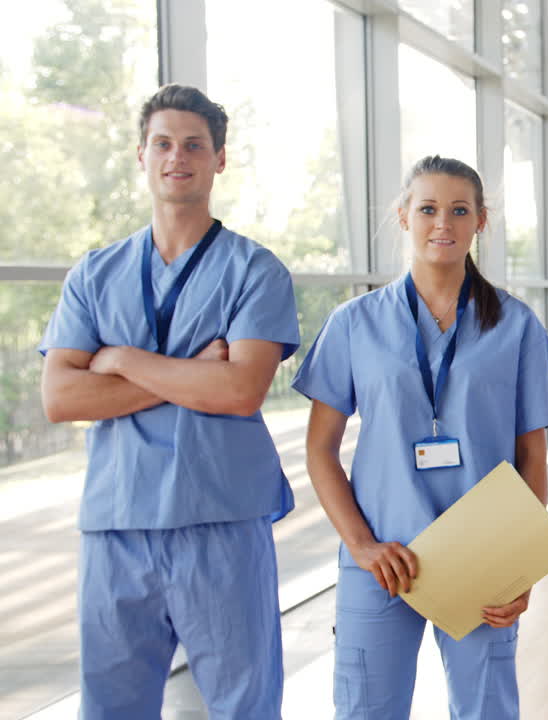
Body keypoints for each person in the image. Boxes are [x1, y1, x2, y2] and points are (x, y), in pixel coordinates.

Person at [39, 84, 299, 719]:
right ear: (141, 155)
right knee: (111, 708)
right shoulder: (95, 274)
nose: (176, 156)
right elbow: (61, 397)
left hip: (221, 520)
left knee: (245, 706)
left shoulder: (255, 271)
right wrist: (186, 375)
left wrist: (121, 359)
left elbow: (239, 391)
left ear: (219, 159)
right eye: (162, 143)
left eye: (193, 144)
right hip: (117, 525)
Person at [293, 155, 548, 720]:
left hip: (482, 561)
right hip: (382, 560)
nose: (443, 223)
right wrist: (362, 546)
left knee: (487, 711)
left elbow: (531, 456)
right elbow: (319, 450)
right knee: (366, 710)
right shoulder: (354, 323)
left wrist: (519, 566)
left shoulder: (515, 326)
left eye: (459, 210)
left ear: (480, 222)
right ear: (403, 216)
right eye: (428, 209)